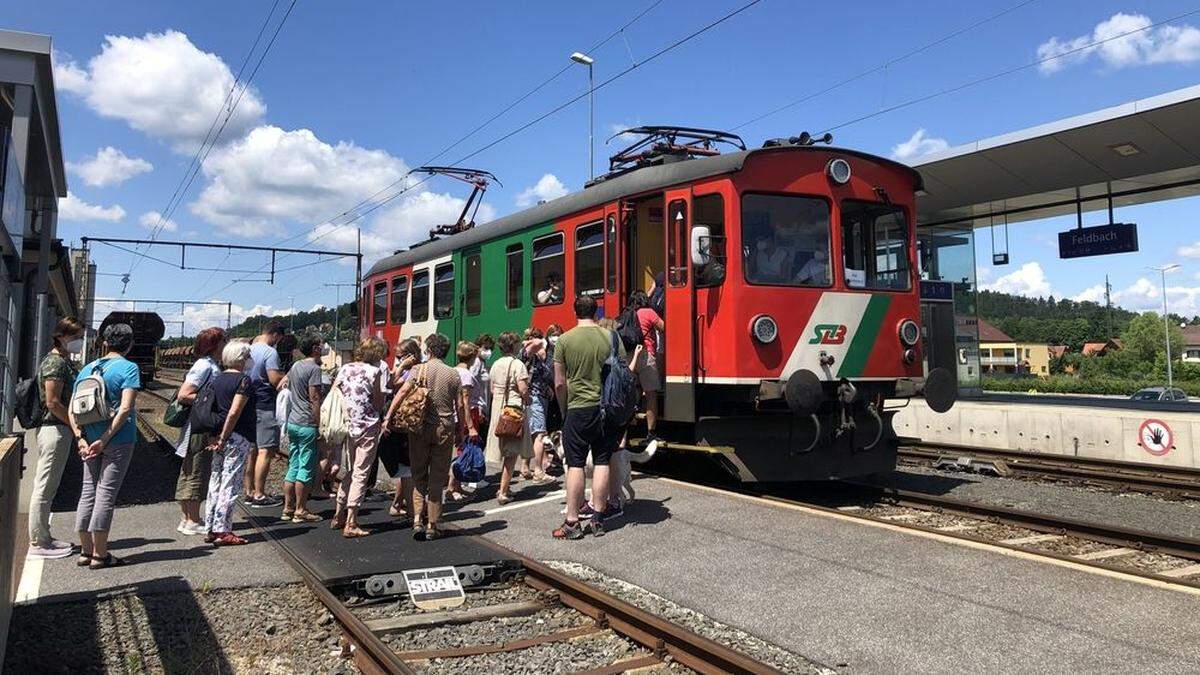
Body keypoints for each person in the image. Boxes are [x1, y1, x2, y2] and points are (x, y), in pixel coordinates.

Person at [68, 323, 141, 568]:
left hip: (88, 440)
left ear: (105, 342)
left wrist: (80, 438)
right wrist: (106, 439)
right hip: (117, 440)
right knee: (106, 493)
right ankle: (100, 555)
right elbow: (126, 408)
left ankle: (85, 551)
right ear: (129, 344)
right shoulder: (129, 368)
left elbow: (72, 408)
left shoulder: (87, 368)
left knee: (88, 491)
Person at [553, 296, 624, 539]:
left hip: (578, 409)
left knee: (575, 464)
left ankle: (572, 522)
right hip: (605, 409)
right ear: (596, 312)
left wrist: (564, 411)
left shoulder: (564, 340)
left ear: (575, 312)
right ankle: (598, 518)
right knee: (603, 461)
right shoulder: (612, 337)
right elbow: (624, 372)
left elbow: (560, 383)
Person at [383, 334, 465, 541]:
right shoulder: (453, 374)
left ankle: (417, 519)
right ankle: (433, 525)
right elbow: (460, 406)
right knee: (437, 478)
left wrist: (388, 417)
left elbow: (401, 393)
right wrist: (462, 430)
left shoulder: (418, 370)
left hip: (418, 428)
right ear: (446, 351)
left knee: (418, 474)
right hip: (444, 429)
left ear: (428, 349)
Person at [26, 317, 84, 559]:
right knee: (45, 485)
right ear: (61, 336)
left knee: (48, 485)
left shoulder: (61, 361)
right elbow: (53, 402)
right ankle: (38, 542)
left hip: (57, 429)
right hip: (54, 430)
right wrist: (74, 426)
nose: (79, 342)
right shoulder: (55, 363)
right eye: (76, 337)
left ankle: (44, 537)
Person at [173, 327, 227, 536]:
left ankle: (187, 518)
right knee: (197, 470)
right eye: (223, 341)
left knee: (190, 470)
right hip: (199, 426)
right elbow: (184, 395)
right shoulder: (205, 365)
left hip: (197, 424)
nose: (226, 345)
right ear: (214, 344)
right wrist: (210, 401)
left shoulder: (207, 364)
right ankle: (193, 520)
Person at [203, 341, 258, 546]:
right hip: (236, 437)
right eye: (247, 356)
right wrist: (225, 437)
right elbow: (234, 412)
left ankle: (210, 526)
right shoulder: (244, 381)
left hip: (218, 436)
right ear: (242, 358)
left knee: (215, 480)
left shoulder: (217, 379)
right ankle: (223, 530)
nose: (249, 360)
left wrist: (216, 437)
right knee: (230, 482)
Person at [332, 339, 386, 537]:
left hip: (347, 426)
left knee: (351, 470)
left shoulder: (345, 368)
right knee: (361, 474)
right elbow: (379, 403)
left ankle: (338, 514)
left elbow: (335, 392)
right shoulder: (375, 372)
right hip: (367, 427)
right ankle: (351, 522)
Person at [282, 333, 327, 523]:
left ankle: (287, 508)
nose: (324, 346)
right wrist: (318, 424)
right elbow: (314, 398)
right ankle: (301, 509)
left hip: (293, 421)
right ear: (315, 348)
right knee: (306, 467)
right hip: (307, 422)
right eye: (321, 344)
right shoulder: (314, 369)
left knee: (293, 464)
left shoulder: (295, 365)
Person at [486, 332, 531, 504]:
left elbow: (491, 389)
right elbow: (523, 389)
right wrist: (529, 399)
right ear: (513, 346)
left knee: (503, 448)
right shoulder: (518, 364)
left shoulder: (496, 364)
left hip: (498, 408)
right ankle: (503, 491)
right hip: (513, 409)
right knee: (511, 452)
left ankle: (504, 486)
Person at [245, 321, 286, 507]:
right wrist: (286, 377)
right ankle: (260, 495)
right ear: (275, 335)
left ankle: (248, 491)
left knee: (251, 450)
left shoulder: (248, 349)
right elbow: (273, 379)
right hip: (265, 403)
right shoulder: (270, 352)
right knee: (265, 450)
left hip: (248, 404)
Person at [381, 338, 421, 518]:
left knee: (407, 467)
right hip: (405, 421)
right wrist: (401, 366)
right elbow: (391, 385)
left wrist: (402, 367)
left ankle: (399, 503)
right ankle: (406, 506)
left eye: (401, 356)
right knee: (407, 466)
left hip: (408, 418)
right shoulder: (406, 370)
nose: (398, 360)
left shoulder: (413, 370)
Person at [630, 290, 665, 445]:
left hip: (629, 356)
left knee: (631, 392)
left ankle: (626, 426)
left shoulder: (628, 313)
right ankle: (651, 433)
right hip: (645, 354)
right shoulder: (648, 312)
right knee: (651, 395)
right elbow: (664, 327)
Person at [450, 341, 482, 501]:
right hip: (468, 416)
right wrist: (470, 426)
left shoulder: (453, 370)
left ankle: (457, 486)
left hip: (457, 415)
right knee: (464, 451)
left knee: (461, 449)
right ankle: (453, 486)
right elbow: (465, 401)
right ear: (472, 357)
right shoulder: (466, 375)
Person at [521, 327, 554, 483]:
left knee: (531, 433)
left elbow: (547, 376)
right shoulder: (527, 355)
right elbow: (533, 345)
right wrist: (539, 343)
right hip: (534, 399)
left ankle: (525, 467)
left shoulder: (539, 358)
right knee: (539, 434)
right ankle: (539, 471)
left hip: (539, 398)